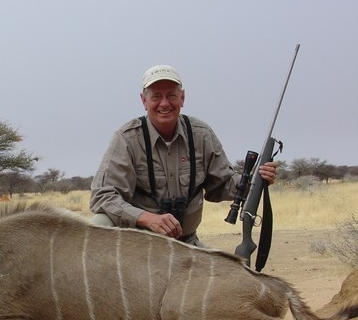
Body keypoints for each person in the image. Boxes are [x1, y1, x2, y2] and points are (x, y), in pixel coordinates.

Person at [90, 64, 277, 246]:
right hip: (140, 245)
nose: (164, 103)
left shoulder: (201, 134)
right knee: (100, 223)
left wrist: (256, 180)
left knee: (231, 274)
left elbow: (221, 186)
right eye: (156, 96)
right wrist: (147, 219)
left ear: (182, 98)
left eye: (171, 95)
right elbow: (102, 196)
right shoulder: (126, 139)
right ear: (143, 101)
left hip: (186, 243)